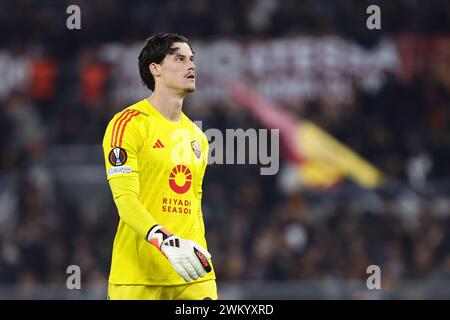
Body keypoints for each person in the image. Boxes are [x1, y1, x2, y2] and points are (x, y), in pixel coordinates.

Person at [102, 33, 216, 300]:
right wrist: (165, 241)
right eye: (179, 58)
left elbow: (193, 206)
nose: (191, 65)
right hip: (137, 276)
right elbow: (125, 201)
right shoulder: (128, 124)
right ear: (156, 69)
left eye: (192, 59)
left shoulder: (197, 138)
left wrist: (198, 253)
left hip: (191, 274)